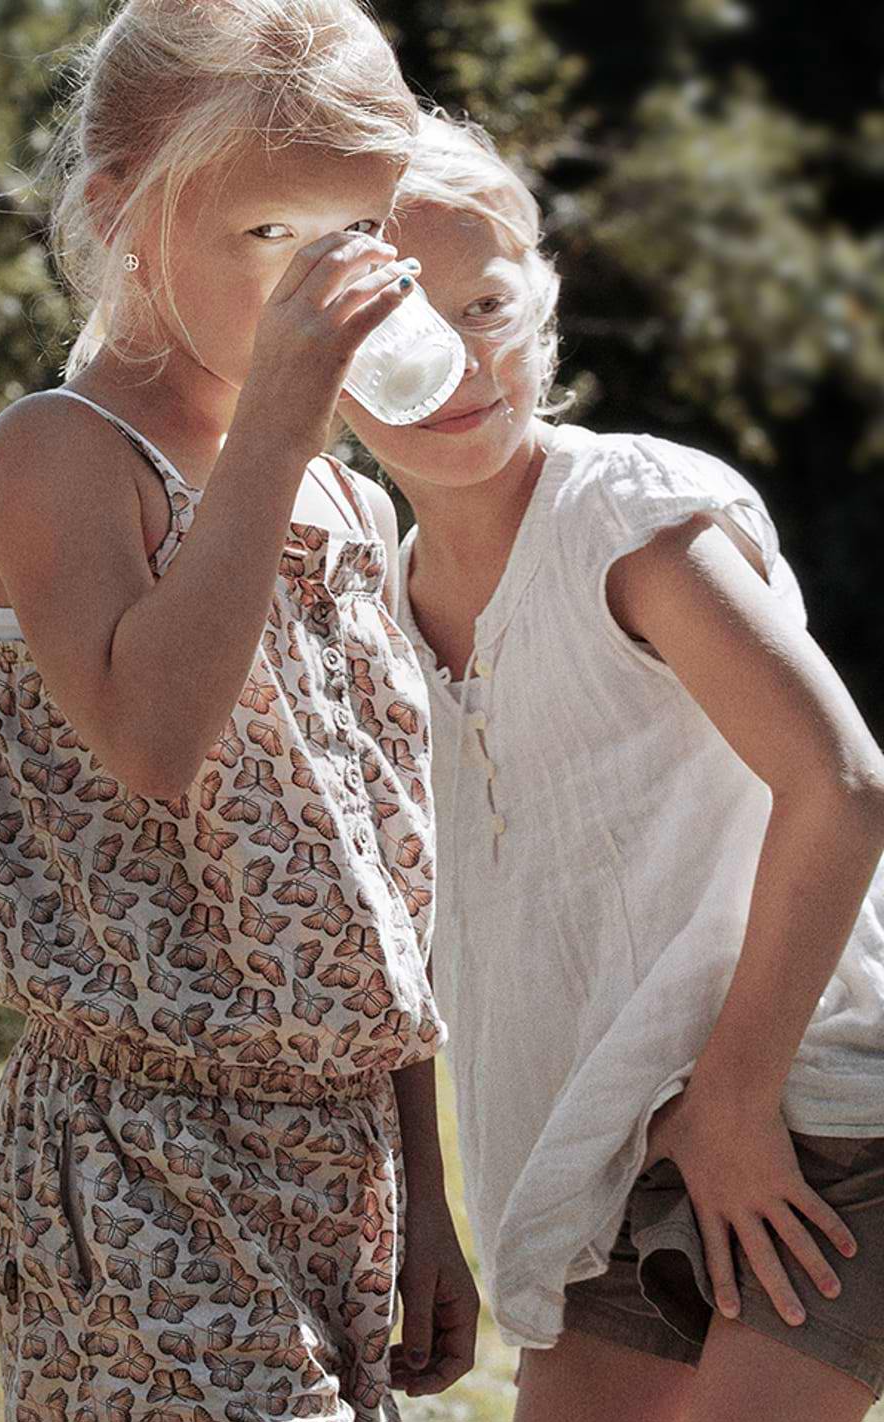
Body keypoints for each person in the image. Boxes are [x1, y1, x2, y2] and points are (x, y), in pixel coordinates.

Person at [0, 1, 476, 1414]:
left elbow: (387, 872)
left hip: (348, 1151)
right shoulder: (63, 454)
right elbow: (153, 734)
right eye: (268, 235)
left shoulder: (347, 502)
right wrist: (279, 431)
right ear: (124, 213)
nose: (325, 278)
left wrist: (424, 1187)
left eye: (356, 230)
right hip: (145, 1156)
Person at [338, 107, 884, 1420]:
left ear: (548, 305)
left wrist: (739, 1100)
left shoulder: (624, 519)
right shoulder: (374, 612)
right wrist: (427, 1208)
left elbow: (846, 785)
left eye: (489, 306)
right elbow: (394, 942)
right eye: (400, 328)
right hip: (605, 1168)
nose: (461, 358)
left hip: (812, 1112)